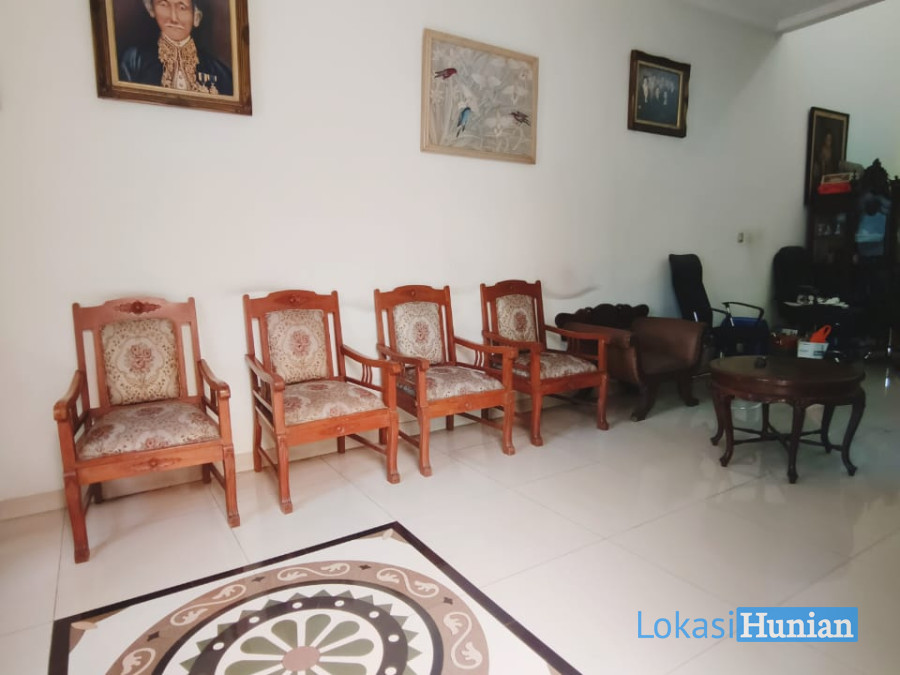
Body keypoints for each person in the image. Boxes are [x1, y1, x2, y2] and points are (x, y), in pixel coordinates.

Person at [119, 0, 233, 96]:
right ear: (151, 9)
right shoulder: (135, 60)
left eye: (182, 7)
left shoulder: (219, 72)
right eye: (164, 5)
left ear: (196, 17)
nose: (173, 18)